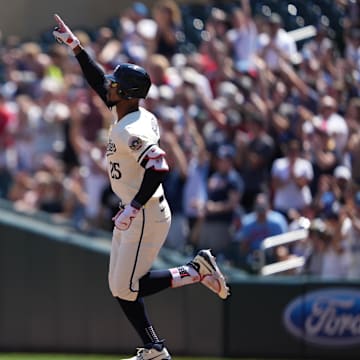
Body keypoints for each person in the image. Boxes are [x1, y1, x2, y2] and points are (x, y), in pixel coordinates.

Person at [52, 14, 229, 360]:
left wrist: (133, 207)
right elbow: (96, 80)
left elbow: (160, 166)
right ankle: (157, 343)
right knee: (121, 287)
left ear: (128, 93)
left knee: (127, 287)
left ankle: (188, 283)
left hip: (144, 211)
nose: (110, 84)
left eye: (116, 82)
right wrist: (75, 47)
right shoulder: (129, 112)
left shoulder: (132, 129)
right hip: (137, 207)